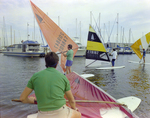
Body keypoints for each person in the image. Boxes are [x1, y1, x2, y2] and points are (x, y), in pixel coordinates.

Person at [20, 52, 81, 118]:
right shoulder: (63, 77)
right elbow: (71, 100)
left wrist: (31, 100)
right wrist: (74, 108)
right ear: (57, 63)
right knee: (78, 114)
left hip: (42, 114)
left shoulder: (35, 76)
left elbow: (22, 99)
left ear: (46, 63)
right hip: (60, 113)